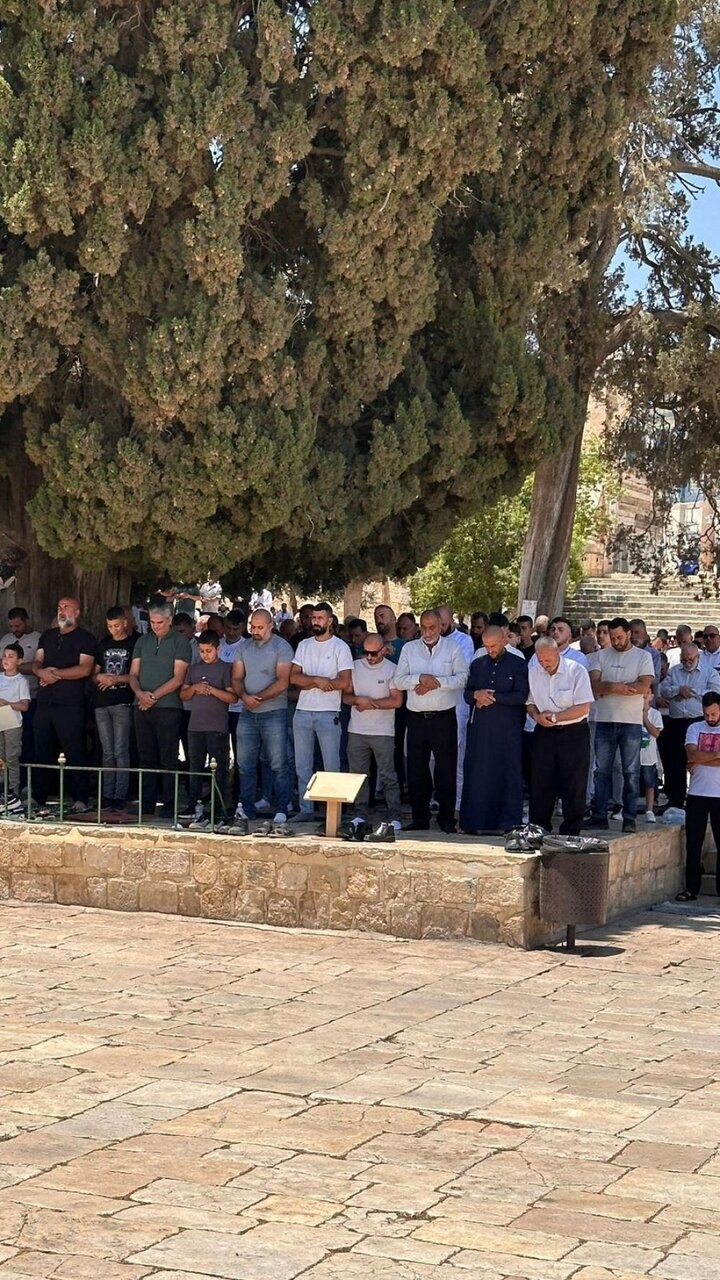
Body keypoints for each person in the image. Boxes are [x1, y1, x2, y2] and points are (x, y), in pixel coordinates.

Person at [394, 609, 469, 833]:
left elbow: (462, 678)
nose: (428, 632)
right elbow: (399, 680)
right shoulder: (409, 648)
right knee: (417, 770)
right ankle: (420, 818)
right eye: (424, 628)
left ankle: (446, 819)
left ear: (440, 626)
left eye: (432, 627)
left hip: (443, 717)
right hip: (416, 718)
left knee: (446, 769)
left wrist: (435, 683)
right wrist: (419, 678)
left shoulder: (452, 647)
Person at [585, 617, 655, 833]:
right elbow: (594, 685)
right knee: (601, 771)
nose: (616, 641)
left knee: (631, 772)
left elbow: (644, 685)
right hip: (604, 720)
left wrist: (609, 687)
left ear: (629, 634)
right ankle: (599, 815)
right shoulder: (600, 656)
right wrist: (619, 687)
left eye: (619, 637)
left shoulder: (642, 656)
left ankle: (629, 817)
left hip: (631, 721)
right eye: (612, 637)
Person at [459, 625, 528, 835]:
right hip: (482, 730)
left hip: (508, 731)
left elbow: (521, 695)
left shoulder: (518, 664)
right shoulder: (478, 664)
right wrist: (477, 695)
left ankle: (508, 823)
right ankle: (476, 821)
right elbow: (467, 694)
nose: (490, 650)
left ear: (504, 641)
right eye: (487, 646)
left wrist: (494, 697)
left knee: (508, 773)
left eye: (494, 646)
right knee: (479, 773)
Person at [32, 597, 95, 814]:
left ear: (77, 612)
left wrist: (55, 674)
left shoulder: (85, 638)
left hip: (70, 703)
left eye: (66, 607)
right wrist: (41, 672)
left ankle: (80, 798)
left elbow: (84, 669)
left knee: (74, 750)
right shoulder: (47, 636)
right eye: (59, 606)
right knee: (41, 749)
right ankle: (38, 796)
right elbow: (37, 661)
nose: (61, 610)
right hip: (45, 702)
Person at [291, 603, 353, 820]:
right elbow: (294, 677)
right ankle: (305, 810)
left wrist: (310, 682)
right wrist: (318, 680)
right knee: (302, 765)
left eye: (320, 618)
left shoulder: (340, 647)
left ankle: (332, 814)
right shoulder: (304, 645)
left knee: (331, 765)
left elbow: (345, 682)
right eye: (313, 618)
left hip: (328, 712)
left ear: (330, 621)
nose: (315, 621)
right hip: (302, 711)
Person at [128, 602, 192, 817]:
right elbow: (133, 674)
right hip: (141, 705)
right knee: (146, 756)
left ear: (170, 620)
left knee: (168, 757)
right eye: (153, 622)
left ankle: (169, 804)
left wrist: (153, 697)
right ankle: (147, 804)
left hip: (168, 707)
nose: (156, 626)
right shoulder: (142, 641)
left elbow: (178, 678)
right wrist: (140, 694)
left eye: (160, 622)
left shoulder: (180, 642)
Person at [232, 608, 294, 825]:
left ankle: (282, 808)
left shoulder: (282, 647)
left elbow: (283, 681)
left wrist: (256, 698)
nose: (255, 631)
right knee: (245, 763)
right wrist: (244, 696)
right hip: (247, 712)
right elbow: (236, 677)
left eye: (260, 627)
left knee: (278, 763)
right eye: (253, 627)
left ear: (270, 626)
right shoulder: (244, 647)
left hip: (273, 712)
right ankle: (246, 808)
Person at [526, 637, 593, 835]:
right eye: (540, 660)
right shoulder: (534, 671)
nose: (544, 664)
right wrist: (536, 716)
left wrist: (556, 717)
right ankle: (539, 828)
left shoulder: (576, 670)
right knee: (540, 780)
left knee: (574, 783)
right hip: (544, 731)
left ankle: (571, 832)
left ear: (557, 653)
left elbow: (583, 707)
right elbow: (530, 702)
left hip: (573, 732)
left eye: (548, 660)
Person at [344, 633, 403, 829]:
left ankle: (394, 815)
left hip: (383, 731)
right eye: (366, 652)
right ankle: (359, 813)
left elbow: (397, 701)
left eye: (374, 653)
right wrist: (357, 700)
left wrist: (369, 704)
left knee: (388, 775)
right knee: (357, 775)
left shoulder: (392, 669)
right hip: (357, 729)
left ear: (384, 650)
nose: (369, 657)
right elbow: (345, 696)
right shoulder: (355, 667)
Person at [180, 630, 235, 823]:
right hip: (195, 726)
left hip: (217, 727)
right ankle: (193, 805)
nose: (205, 655)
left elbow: (232, 697)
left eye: (209, 651)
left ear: (217, 649)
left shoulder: (225, 669)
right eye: (202, 651)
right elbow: (183, 695)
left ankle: (219, 807)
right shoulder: (193, 669)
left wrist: (212, 690)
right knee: (194, 766)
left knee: (219, 768)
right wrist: (194, 688)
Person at [657, 643, 720, 809]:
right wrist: (678, 690)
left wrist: (691, 692)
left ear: (697, 657)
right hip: (676, 722)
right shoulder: (674, 671)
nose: (687, 662)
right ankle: (675, 801)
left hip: (698, 721)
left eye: (690, 659)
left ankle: (696, 800)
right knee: (674, 761)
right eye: (684, 660)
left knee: (696, 760)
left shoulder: (709, 672)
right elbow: (663, 690)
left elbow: (714, 694)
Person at [676, 691, 720, 901]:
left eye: (714, 714)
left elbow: (696, 758)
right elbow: (691, 754)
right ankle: (691, 888)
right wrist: (715, 755)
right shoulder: (694, 728)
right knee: (693, 843)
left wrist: (700, 760)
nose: (710, 718)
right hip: (696, 793)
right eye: (706, 714)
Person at [93, 606, 138, 812]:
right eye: (110, 626)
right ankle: (106, 793)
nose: (114, 629)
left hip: (122, 701)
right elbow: (93, 673)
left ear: (125, 623)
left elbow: (136, 675)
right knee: (107, 751)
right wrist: (100, 677)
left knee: (121, 750)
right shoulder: (103, 644)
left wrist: (117, 679)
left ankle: (120, 794)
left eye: (117, 625)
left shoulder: (133, 644)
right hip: (102, 703)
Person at [438, 605, 476, 811]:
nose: (440, 628)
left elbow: (462, 672)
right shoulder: (429, 640)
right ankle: (440, 798)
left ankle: (458, 802)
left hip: (457, 705)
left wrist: (437, 677)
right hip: (434, 706)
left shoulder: (464, 641)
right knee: (435, 757)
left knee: (457, 754)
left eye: (444, 624)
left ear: (451, 621)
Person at [0, 607, 40, 769]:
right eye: (11, 626)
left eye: (18, 626)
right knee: (3, 749)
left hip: (31, 696)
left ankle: (22, 778)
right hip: (4, 706)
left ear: (26, 621)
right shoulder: (5, 639)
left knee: (26, 739)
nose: (14, 629)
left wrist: (15, 668)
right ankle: (4, 780)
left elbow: (39, 666)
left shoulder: (37, 639)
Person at [0, 642, 30, 812]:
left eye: (11, 656)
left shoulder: (21, 681)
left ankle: (13, 792)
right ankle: (2, 789)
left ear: (19, 661)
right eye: (4, 656)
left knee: (11, 756)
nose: (6, 659)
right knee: (0, 757)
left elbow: (24, 705)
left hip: (13, 722)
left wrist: (7, 703)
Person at [640, 687, 663, 823]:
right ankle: (624, 807)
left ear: (652, 696)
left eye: (647, 693)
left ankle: (649, 810)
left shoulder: (655, 714)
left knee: (649, 783)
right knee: (630, 782)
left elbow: (656, 733)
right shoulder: (631, 712)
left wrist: (644, 717)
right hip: (633, 756)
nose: (644, 696)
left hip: (648, 757)